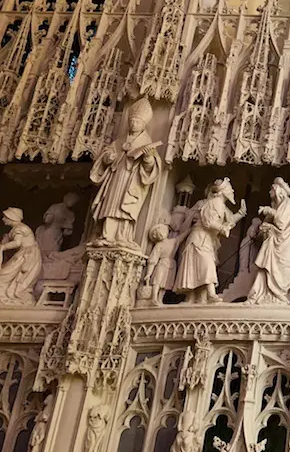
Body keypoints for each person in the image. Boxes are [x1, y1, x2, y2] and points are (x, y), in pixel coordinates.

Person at [89, 97, 162, 246]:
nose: (133, 124)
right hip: (116, 178)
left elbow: (151, 170)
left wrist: (148, 158)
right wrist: (108, 157)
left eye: (137, 122)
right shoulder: (119, 141)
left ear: (143, 125)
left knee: (126, 208)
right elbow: (105, 156)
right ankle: (107, 235)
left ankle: (123, 236)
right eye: (132, 121)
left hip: (131, 180)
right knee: (110, 204)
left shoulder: (146, 143)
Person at [175, 179, 246, 304]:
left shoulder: (220, 205)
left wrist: (240, 213)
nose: (232, 191)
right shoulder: (214, 203)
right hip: (199, 239)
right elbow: (209, 223)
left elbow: (229, 220)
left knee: (199, 267)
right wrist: (222, 228)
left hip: (206, 240)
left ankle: (199, 298)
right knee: (205, 265)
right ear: (223, 191)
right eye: (230, 189)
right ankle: (211, 294)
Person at [248, 178, 290, 305]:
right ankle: (260, 294)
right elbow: (266, 225)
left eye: (272, 188)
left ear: (278, 190)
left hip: (286, 241)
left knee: (281, 268)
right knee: (265, 265)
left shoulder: (288, 204)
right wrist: (264, 227)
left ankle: (278, 295)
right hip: (273, 242)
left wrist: (269, 211)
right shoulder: (276, 206)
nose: (270, 191)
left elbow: (281, 222)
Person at [0, 207, 42, 305]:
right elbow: (6, 242)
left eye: (5, 217)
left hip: (26, 256)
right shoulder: (14, 229)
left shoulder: (20, 228)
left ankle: (0, 296)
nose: (3, 219)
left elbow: (17, 243)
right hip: (22, 255)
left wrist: (2, 247)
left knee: (2, 275)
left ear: (11, 217)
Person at [143, 224, 178, 306]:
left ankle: (160, 299)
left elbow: (182, 236)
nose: (161, 234)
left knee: (166, 283)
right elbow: (153, 260)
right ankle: (154, 298)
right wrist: (148, 274)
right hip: (162, 264)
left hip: (171, 264)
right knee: (157, 281)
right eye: (158, 233)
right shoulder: (158, 246)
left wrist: (191, 229)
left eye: (162, 231)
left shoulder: (173, 241)